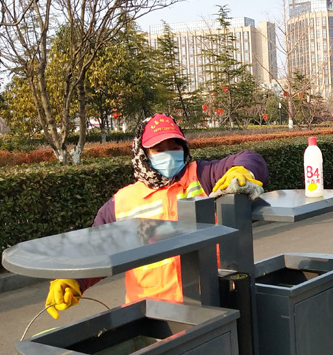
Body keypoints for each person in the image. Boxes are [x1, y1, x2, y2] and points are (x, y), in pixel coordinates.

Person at [44, 113, 269, 318]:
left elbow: (250, 158)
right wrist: (73, 279)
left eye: (175, 146)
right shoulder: (120, 203)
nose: (169, 154)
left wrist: (242, 171)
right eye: (158, 149)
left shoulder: (203, 176)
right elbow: (96, 249)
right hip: (149, 315)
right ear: (143, 153)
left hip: (211, 305)